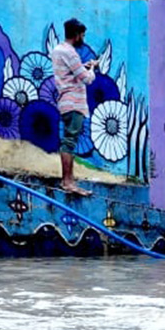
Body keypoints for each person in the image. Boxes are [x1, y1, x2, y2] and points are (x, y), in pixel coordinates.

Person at [51, 17, 96, 196]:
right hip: (74, 102)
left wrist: (83, 67)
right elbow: (86, 78)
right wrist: (92, 69)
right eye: (82, 35)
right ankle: (68, 181)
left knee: (68, 140)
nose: (83, 38)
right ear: (76, 35)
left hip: (65, 101)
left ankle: (68, 180)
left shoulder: (58, 50)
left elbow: (70, 72)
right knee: (70, 141)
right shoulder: (70, 53)